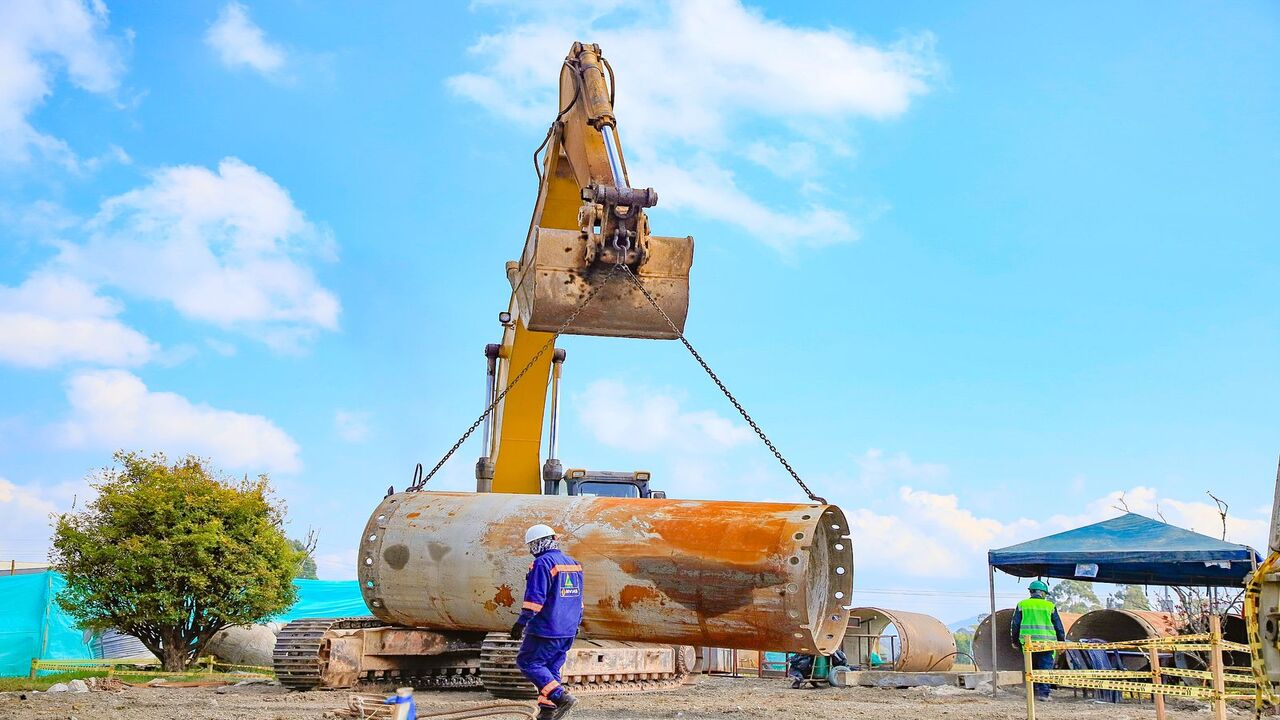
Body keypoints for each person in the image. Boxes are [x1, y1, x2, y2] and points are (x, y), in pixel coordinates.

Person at [510, 524, 583, 720]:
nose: (531, 550)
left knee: (528, 662)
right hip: (567, 629)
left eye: (531, 546)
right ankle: (548, 710)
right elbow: (578, 600)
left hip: (546, 628)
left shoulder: (542, 563)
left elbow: (535, 598)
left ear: (537, 543)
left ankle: (561, 697)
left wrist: (521, 622)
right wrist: (576, 624)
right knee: (550, 669)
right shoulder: (573, 564)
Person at [1010, 579, 1067, 702]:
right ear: (1042, 593)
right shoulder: (1049, 606)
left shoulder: (1022, 605)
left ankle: (1033, 693)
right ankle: (1044, 694)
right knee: (1045, 669)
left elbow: (1015, 625)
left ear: (1031, 592)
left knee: (1031, 668)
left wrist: (1015, 641)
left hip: (1028, 644)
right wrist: (1062, 642)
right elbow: (1058, 627)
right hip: (1047, 644)